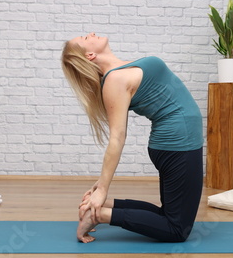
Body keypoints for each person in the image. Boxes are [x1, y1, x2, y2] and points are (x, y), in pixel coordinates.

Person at [61, 32, 204, 243]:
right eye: (84, 38)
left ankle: (106, 207)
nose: (90, 33)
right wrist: (101, 187)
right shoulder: (114, 81)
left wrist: (101, 192)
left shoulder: (122, 68)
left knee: (167, 214)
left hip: (179, 143)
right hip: (177, 146)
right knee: (177, 230)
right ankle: (98, 214)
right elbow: (117, 137)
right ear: (90, 55)